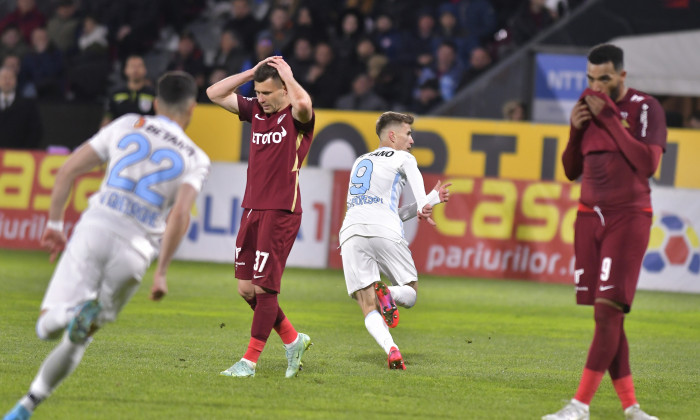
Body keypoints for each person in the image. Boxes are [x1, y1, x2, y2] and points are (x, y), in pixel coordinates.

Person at [3, 71, 210, 420]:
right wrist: (161, 272)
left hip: (96, 229)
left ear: (156, 103)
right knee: (81, 337)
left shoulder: (127, 123)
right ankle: (27, 406)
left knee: (45, 326)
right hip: (135, 255)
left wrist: (54, 225)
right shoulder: (196, 157)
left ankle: (70, 313)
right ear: (191, 108)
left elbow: (67, 170)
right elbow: (180, 216)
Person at [543, 44, 666, 420]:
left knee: (608, 310)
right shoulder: (586, 104)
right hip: (587, 218)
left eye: (605, 79)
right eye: (591, 79)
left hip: (628, 216)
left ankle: (579, 406)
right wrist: (575, 131)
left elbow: (648, 163)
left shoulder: (646, 108)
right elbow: (569, 168)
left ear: (622, 76)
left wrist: (611, 119)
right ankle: (632, 409)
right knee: (608, 317)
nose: (596, 86)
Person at [206, 56, 315, 378]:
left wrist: (289, 77)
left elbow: (305, 102)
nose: (261, 99)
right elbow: (213, 93)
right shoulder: (255, 110)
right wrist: (252, 73)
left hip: (281, 210)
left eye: (268, 93)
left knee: (265, 290)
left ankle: (249, 361)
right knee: (246, 289)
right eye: (258, 92)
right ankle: (294, 339)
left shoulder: (297, 116)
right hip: (251, 207)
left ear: (284, 90)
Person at [339, 112, 450, 370]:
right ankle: (388, 292)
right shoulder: (404, 158)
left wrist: (429, 201)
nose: (411, 140)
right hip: (385, 229)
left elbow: (392, 210)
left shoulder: (360, 161)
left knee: (367, 304)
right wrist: (427, 202)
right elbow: (415, 202)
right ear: (392, 135)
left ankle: (392, 349)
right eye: (408, 134)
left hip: (351, 231)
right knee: (410, 293)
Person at [101, 55, 154, 127]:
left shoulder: (153, 94)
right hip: (120, 134)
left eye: (139, 66)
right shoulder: (116, 94)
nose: (135, 70)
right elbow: (107, 118)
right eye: (132, 66)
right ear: (125, 70)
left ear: (145, 70)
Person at [0, 65, 42, 149]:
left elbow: (35, 131)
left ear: (16, 81)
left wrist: (26, 150)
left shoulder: (28, 105)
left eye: (10, 78)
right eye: (4, 77)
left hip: (20, 155)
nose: (7, 81)